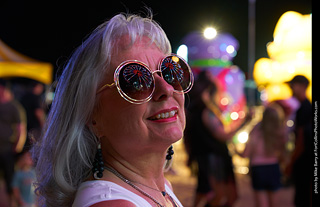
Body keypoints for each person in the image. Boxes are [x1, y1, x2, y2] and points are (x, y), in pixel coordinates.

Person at [32, 13, 193, 207]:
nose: (166, 89)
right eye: (136, 81)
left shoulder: (159, 189)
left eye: (169, 72)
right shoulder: (113, 203)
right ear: (92, 115)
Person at [184, 71, 249, 207]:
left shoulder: (197, 112)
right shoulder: (207, 112)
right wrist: (244, 123)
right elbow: (223, 135)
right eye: (218, 90)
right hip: (214, 160)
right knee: (219, 196)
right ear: (208, 92)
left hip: (210, 159)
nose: (221, 94)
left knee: (211, 194)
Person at [236, 103, 286, 207]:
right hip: (273, 168)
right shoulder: (280, 132)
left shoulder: (256, 131)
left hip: (258, 169)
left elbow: (245, 154)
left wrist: (235, 150)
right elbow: (283, 155)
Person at [285, 75, 312, 207]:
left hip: (303, 157)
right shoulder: (299, 106)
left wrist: (292, 160)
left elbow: (301, 138)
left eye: (293, 85)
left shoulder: (305, 108)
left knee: (303, 195)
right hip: (301, 155)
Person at [0, 79, 26, 203]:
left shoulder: (14, 107)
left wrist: (18, 146)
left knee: (10, 179)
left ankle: (11, 203)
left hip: (7, 148)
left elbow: (21, 128)